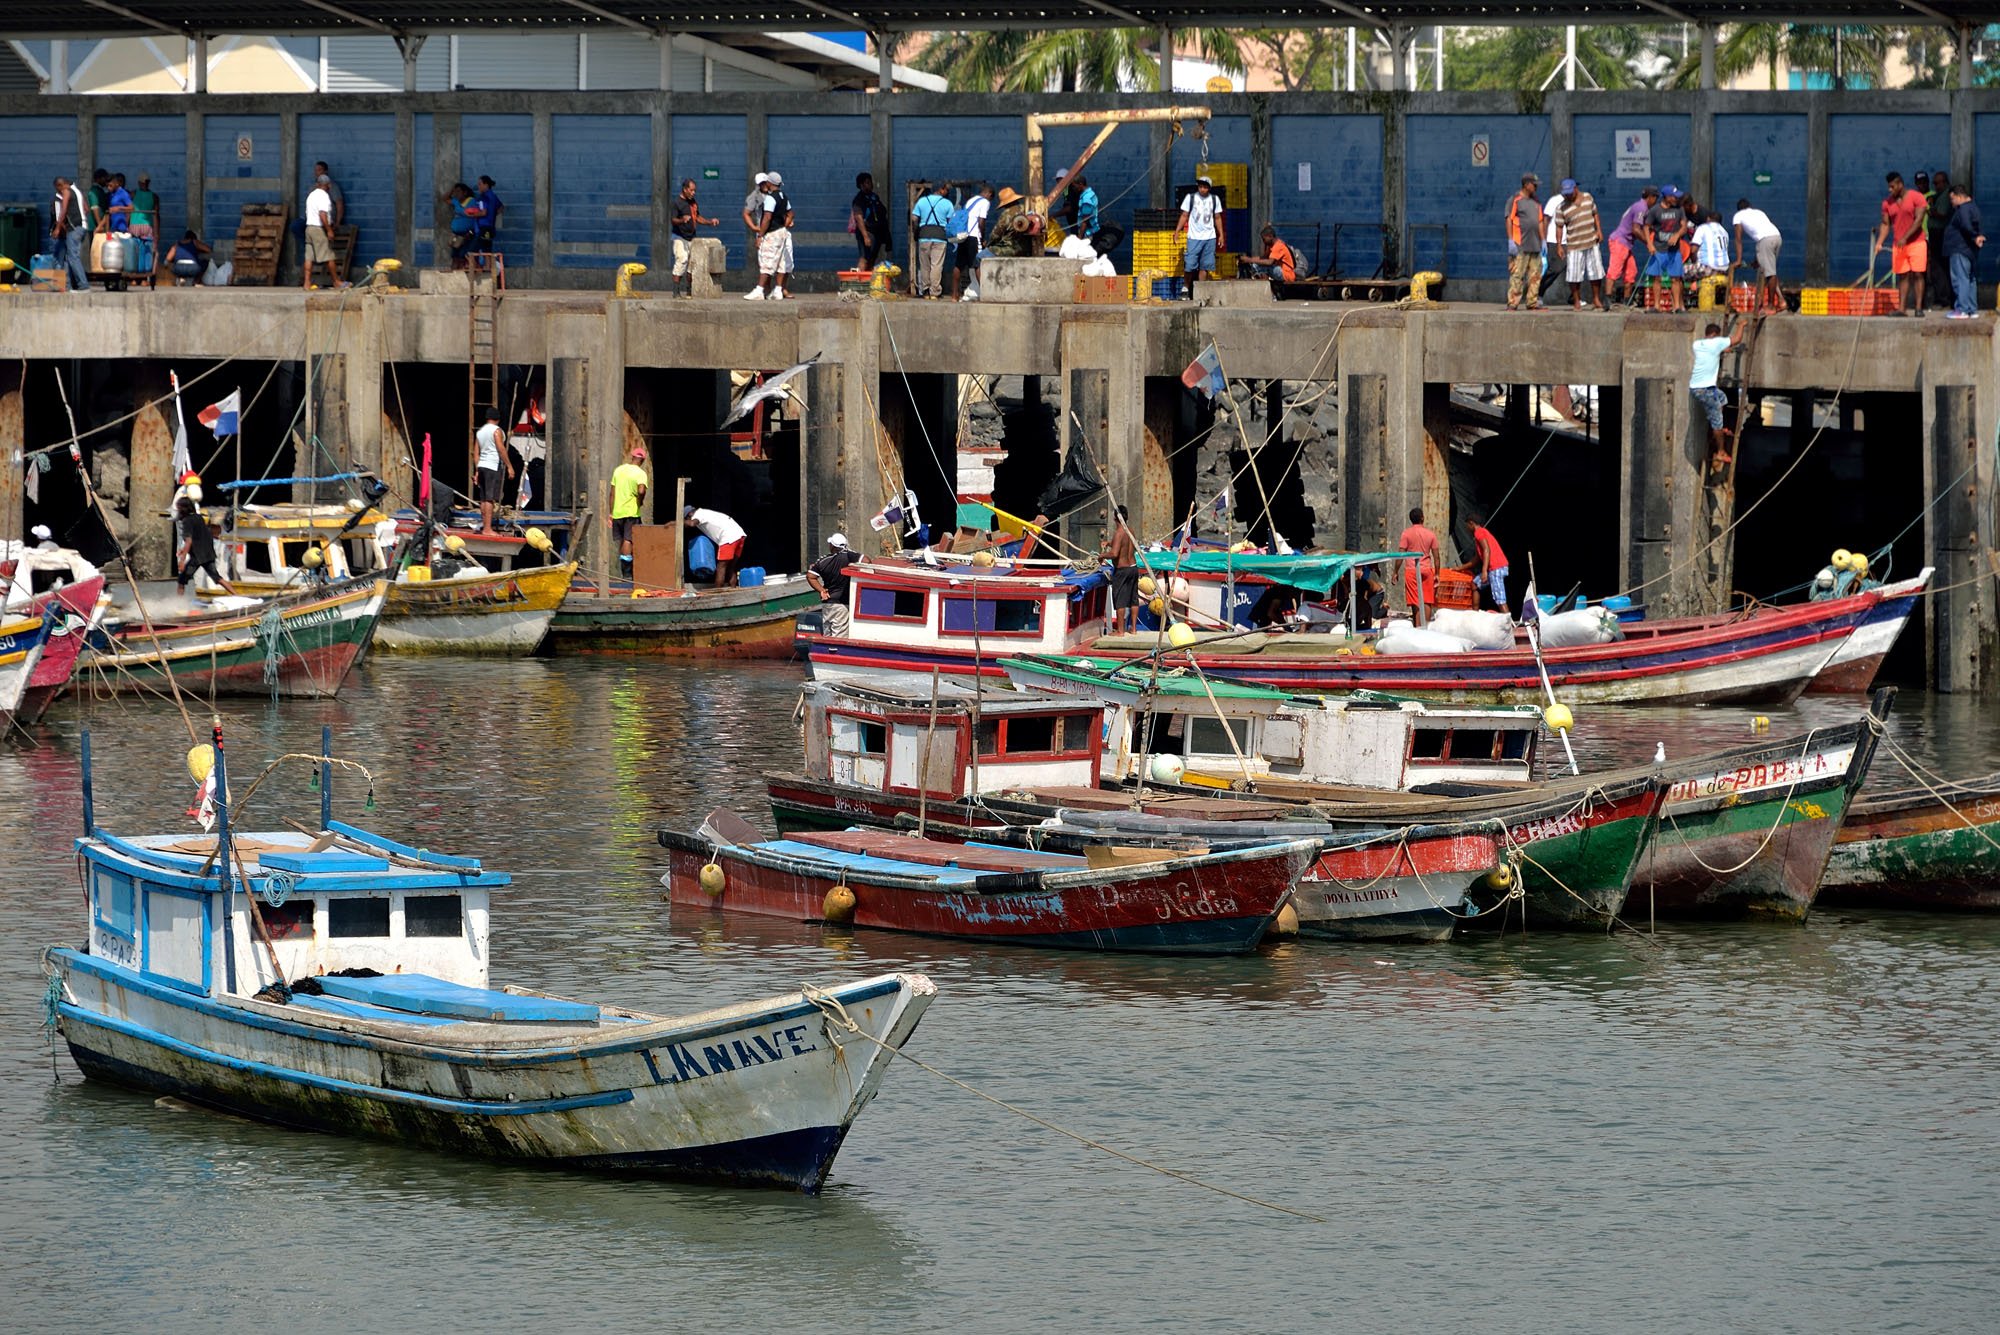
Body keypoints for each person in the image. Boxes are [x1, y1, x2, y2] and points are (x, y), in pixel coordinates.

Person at [1689, 321, 1744, 474]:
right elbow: (1737, 339)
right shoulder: (1716, 343)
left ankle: (1716, 427)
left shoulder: (1697, 344)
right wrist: (1741, 325)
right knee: (1717, 421)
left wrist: (1721, 350)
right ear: (1714, 335)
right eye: (1718, 336)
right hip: (1705, 390)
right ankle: (1720, 451)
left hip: (1698, 387)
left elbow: (1710, 353)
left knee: (1722, 398)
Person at [1875, 171, 1928, 316]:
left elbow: (1918, 220)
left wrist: (1905, 237)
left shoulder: (1917, 197)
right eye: (1889, 187)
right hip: (1898, 244)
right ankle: (1902, 309)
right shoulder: (1887, 203)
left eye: (1892, 186)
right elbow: (1885, 224)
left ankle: (1918, 308)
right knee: (1903, 275)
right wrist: (1879, 243)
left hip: (1917, 242)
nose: (1890, 190)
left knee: (1918, 274)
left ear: (1900, 184)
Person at [1555, 179, 1605, 311]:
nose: (1568, 196)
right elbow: (1559, 227)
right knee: (1574, 275)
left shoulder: (1588, 197)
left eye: (1570, 193)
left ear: (1576, 189)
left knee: (1596, 272)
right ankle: (1576, 302)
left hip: (1591, 241)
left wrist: (1599, 231)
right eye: (1565, 194)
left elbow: (1595, 214)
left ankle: (1596, 299)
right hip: (1574, 245)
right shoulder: (1561, 208)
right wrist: (1559, 245)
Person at [1732, 198, 1785, 315]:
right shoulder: (1759, 212)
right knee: (1770, 270)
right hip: (1777, 237)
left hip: (1766, 240)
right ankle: (1781, 301)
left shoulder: (1738, 216)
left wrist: (1738, 260)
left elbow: (1738, 239)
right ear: (1750, 206)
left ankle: (1771, 306)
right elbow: (1762, 235)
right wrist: (1757, 260)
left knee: (1770, 274)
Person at [746, 172, 794, 301]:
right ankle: (778, 290)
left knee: (766, 261)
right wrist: (784, 225)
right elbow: (790, 214)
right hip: (782, 232)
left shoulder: (770, 198)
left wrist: (760, 235)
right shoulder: (784, 196)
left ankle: (759, 290)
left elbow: (767, 217)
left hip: (772, 233)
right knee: (781, 262)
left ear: (770, 183)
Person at [1640, 184, 1688, 312]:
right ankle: (1656, 306)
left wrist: (1677, 235)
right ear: (1667, 197)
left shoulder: (1679, 209)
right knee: (1657, 278)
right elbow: (1646, 227)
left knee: (1676, 278)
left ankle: (1676, 307)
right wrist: (1649, 244)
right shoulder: (1655, 210)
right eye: (1673, 197)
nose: (1676, 199)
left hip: (1674, 250)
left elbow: (1684, 226)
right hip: (1659, 249)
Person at [1606, 186, 1656, 305]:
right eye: (1655, 198)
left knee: (1631, 272)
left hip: (1627, 245)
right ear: (1650, 197)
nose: (1655, 201)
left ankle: (1627, 302)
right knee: (1614, 271)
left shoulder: (1642, 208)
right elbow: (1636, 229)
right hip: (1620, 242)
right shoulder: (1641, 207)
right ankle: (1607, 300)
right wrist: (1648, 243)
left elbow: (1647, 225)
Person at [669, 177, 718, 299]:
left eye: (694, 190)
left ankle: (689, 291)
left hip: (692, 238)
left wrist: (710, 222)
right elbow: (673, 220)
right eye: (691, 190)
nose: (693, 193)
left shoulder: (693, 202)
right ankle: (676, 291)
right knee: (682, 259)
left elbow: (697, 217)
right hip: (680, 237)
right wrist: (682, 220)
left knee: (692, 265)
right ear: (684, 189)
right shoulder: (677, 202)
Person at [1943, 183, 1984, 320]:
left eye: (1952, 199)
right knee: (1970, 279)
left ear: (1959, 197)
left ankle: (1962, 309)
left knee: (1960, 278)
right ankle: (1972, 309)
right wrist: (1977, 237)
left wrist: (1974, 237)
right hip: (1970, 251)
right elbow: (1976, 226)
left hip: (1959, 249)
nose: (1951, 202)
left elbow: (1966, 225)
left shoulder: (1963, 209)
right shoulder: (1974, 208)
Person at [174, 497, 231, 596]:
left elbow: (189, 541)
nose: (178, 511)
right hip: (208, 554)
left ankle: (178, 602)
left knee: (181, 581)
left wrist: (182, 561)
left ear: (183, 509)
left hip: (197, 556)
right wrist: (183, 550)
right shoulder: (199, 517)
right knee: (218, 579)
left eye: (178, 508)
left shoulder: (187, 521)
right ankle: (237, 594)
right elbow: (199, 538)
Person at [807, 533, 861, 635]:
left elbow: (810, 576)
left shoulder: (822, 561)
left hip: (828, 602)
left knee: (827, 635)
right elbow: (866, 560)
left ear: (832, 546)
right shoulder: (849, 556)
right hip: (842, 604)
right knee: (839, 636)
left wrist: (821, 590)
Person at [1178, 175, 1223, 299]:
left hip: (1209, 237)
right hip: (1194, 237)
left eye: (1205, 187)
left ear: (1209, 188)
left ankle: (1201, 291)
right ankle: (1186, 288)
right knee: (1190, 264)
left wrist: (1221, 235)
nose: (1202, 189)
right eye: (1200, 186)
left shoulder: (1214, 199)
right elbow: (1184, 215)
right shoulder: (1190, 198)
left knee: (1205, 266)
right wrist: (1177, 231)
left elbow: (1217, 218)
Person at [471, 408, 514, 535]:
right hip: (492, 466)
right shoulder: (497, 431)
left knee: (484, 498)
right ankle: (487, 529)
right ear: (498, 419)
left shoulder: (480, 432)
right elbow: (501, 449)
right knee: (490, 499)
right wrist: (509, 466)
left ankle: (485, 526)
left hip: (482, 466)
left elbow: (476, 453)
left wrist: (477, 470)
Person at [1504, 173, 1543, 311]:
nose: (1536, 188)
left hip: (1535, 245)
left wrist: (1543, 240)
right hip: (1520, 245)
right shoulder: (1515, 200)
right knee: (1517, 275)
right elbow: (1509, 219)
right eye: (1534, 185)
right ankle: (1512, 303)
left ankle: (1532, 302)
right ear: (1526, 185)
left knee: (1535, 276)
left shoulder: (1537, 202)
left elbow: (1540, 221)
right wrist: (1510, 240)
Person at [684, 504, 748, 587]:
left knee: (721, 567)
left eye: (686, 519)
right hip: (739, 535)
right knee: (730, 567)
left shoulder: (698, 514)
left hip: (728, 537)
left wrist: (677, 522)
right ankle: (733, 588)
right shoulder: (705, 512)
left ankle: (718, 592)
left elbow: (692, 523)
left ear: (689, 515)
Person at [1397, 507, 1442, 625]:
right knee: (1427, 600)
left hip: (1411, 571)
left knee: (1415, 600)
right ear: (1422, 518)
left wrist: (1395, 571)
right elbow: (1436, 557)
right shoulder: (1431, 534)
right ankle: (1425, 627)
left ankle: (1418, 627)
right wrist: (1437, 574)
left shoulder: (1406, 534)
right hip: (1426, 570)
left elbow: (1400, 555)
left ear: (1411, 519)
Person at [1459, 514, 1511, 617]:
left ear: (1471, 524)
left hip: (1496, 568)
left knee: (1499, 599)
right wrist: (1461, 568)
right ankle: (1475, 615)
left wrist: (1484, 571)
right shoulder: (1481, 534)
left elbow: (1487, 550)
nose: (1467, 529)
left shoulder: (1479, 532)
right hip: (1493, 569)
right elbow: (1476, 559)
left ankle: (1508, 622)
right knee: (1475, 584)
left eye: (1467, 526)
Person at [610, 447, 649, 581]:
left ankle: (624, 573)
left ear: (632, 457)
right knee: (628, 540)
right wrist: (639, 501)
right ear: (642, 460)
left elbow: (612, 493)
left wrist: (611, 512)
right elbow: (641, 490)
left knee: (622, 540)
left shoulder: (618, 470)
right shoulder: (640, 473)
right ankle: (627, 575)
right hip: (631, 512)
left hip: (618, 512)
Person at [1101, 505, 1141, 633]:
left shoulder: (1118, 533)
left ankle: (1120, 631)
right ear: (1127, 517)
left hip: (1122, 570)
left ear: (1114, 519)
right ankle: (1133, 628)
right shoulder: (1130, 531)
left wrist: (1102, 556)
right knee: (1134, 599)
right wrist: (1109, 543)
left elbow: (1114, 554)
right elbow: (1124, 544)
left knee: (1120, 600)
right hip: (1133, 568)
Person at [910, 181, 952, 299]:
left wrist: (916, 232)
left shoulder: (922, 201)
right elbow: (950, 223)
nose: (947, 192)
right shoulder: (947, 203)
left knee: (925, 265)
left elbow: (914, 219)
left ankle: (926, 290)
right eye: (946, 189)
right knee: (936, 265)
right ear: (941, 190)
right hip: (940, 236)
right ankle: (934, 292)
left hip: (924, 236)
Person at [303, 174, 343, 290]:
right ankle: (336, 282)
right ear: (329, 185)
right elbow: (322, 214)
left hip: (309, 228)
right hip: (318, 229)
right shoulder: (324, 196)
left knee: (309, 257)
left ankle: (307, 283)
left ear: (317, 184)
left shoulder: (311, 195)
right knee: (328, 255)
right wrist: (329, 230)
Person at [51, 177, 90, 293]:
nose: (59, 192)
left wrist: (58, 228)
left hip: (74, 228)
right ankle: (67, 286)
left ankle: (83, 285)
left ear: (61, 186)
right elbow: (86, 209)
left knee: (73, 257)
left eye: (58, 189)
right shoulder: (77, 191)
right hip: (82, 226)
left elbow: (63, 210)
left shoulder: (67, 192)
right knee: (69, 257)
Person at [953, 185, 992, 301]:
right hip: (974, 236)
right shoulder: (985, 202)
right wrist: (983, 238)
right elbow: (981, 221)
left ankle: (954, 295)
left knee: (958, 265)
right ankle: (985, 295)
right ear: (989, 195)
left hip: (963, 235)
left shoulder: (970, 200)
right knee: (977, 264)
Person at [850, 172, 889, 271]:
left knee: (872, 258)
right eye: (867, 182)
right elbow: (859, 218)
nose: (870, 184)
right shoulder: (859, 200)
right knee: (864, 258)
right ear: (861, 185)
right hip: (867, 232)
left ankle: (869, 278)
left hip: (877, 232)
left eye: (870, 182)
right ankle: (859, 279)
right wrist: (866, 236)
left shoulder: (874, 197)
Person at [1926, 169, 1952, 308]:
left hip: (1940, 233)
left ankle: (1943, 297)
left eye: (1937, 183)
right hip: (1936, 233)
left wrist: (1931, 211)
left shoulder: (1946, 195)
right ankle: (1943, 296)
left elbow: (1942, 213)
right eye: (1934, 183)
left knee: (1938, 266)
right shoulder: (1939, 195)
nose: (1935, 186)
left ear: (1944, 182)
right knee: (1936, 265)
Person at [1689, 204, 1731, 285]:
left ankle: (1687, 292)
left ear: (1708, 219)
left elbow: (1693, 250)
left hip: (1707, 267)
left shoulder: (1702, 228)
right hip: (1724, 268)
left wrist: (1694, 262)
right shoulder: (1725, 232)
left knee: (1679, 273)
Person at [988, 188, 1033, 258]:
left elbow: (995, 236)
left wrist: (989, 243)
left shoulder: (1006, 214)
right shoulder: (1026, 209)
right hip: (1027, 248)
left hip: (1011, 249)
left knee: (980, 256)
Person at [447, 182, 479, 268]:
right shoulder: (456, 201)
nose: (456, 193)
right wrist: (452, 190)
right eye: (456, 191)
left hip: (466, 234)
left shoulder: (471, 202)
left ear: (465, 192)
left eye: (458, 191)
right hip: (456, 235)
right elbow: (445, 198)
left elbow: (476, 218)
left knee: (462, 257)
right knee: (454, 257)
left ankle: (461, 274)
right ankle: (453, 274)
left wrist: (471, 231)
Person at [312, 161, 345, 226]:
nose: (316, 172)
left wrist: (338, 222)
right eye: (315, 170)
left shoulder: (332, 186)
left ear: (326, 171)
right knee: (297, 225)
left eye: (319, 170)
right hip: (313, 220)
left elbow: (339, 204)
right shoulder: (312, 187)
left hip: (327, 220)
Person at [129, 173, 159, 242]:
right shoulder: (154, 196)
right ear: (149, 183)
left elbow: (128, 212)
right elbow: (156, 216)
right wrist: (156, 233)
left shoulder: (133, 194)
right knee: (147, 247)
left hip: (134, 225)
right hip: (147, 226)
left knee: (134, 247)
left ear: (139, 182)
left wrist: (126, 226)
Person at [1071, 173, 1100, 240]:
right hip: (1091, 230)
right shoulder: (1091, 193)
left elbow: (1085, 220)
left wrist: (1079, 237)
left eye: (1074, 186)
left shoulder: (1086, 199)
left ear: (1080, 184)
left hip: (1087, 233)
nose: (1073, 188)